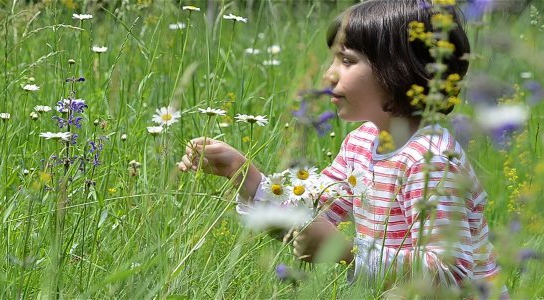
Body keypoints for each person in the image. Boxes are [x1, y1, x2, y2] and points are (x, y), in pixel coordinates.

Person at [178, 0, 508, 297]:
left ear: (398, 71)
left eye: (347, 60)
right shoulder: (362, 142)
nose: (329, 73)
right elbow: (315, 210)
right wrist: (244, 175)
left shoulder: (431, 161)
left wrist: (348, 251)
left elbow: (451, 275)